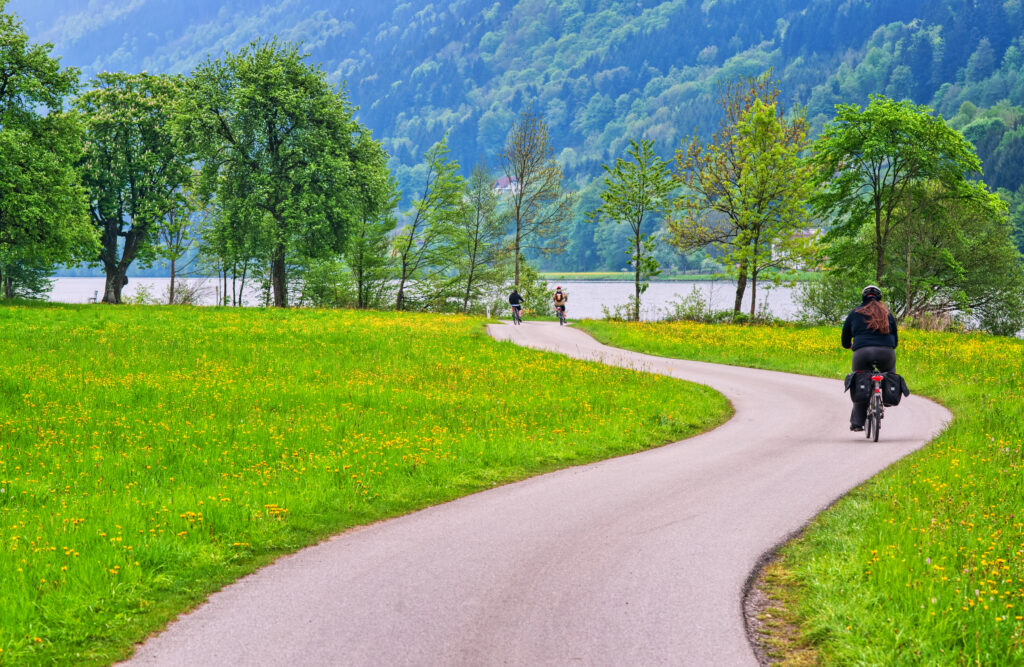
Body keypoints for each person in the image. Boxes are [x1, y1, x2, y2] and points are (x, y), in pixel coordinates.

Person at [841, 285, 898, 431]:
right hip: (886, 353)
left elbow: (845, 338)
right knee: (890, 372)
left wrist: (850, 346)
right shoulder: (888, 314)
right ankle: (888, 396)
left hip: (862, 353)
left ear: (863, 297)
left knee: (861, 380)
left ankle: (857, 423)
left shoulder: (854, 313)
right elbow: (895, 341)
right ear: (880, 298)